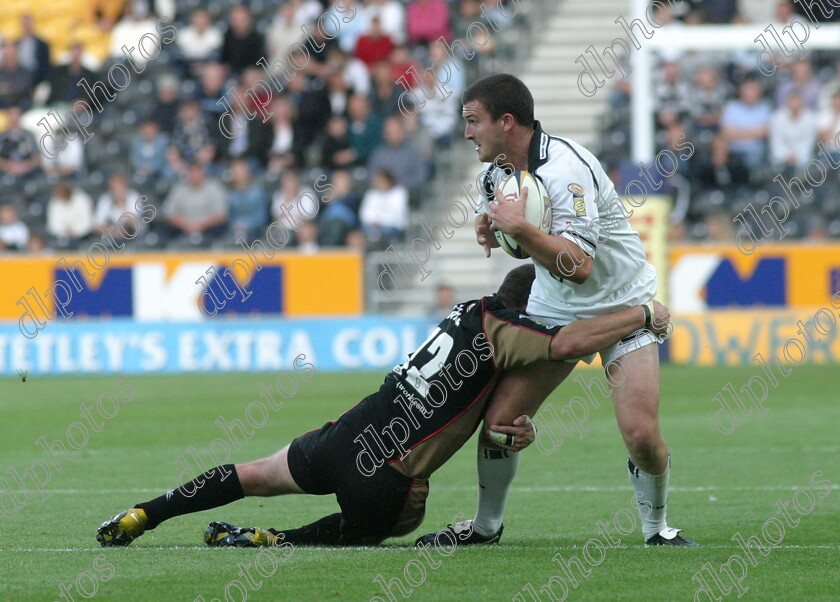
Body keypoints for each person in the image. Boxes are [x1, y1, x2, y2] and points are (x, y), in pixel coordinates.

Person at [95, 265, 671, 548]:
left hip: (345, 434)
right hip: (386, 473)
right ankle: (270, 539)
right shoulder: (509, 331)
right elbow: (568, 345)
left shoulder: (469, 309)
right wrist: (642, 315)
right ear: (533, 304)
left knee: (251, 473)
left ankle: (148, 511)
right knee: (381, 529)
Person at [416, 73, 698, 548]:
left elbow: (580, 266)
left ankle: (657, 529)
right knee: (502, 425)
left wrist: (519, 231)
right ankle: (486, 529)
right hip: (554, 309)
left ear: (506, 122)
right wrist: (501, 236)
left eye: (472, 121)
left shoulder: (567, 168)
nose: (466, 133)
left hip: (625, 303)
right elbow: (534, 252)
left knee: (641, 436)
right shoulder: (493, 176)